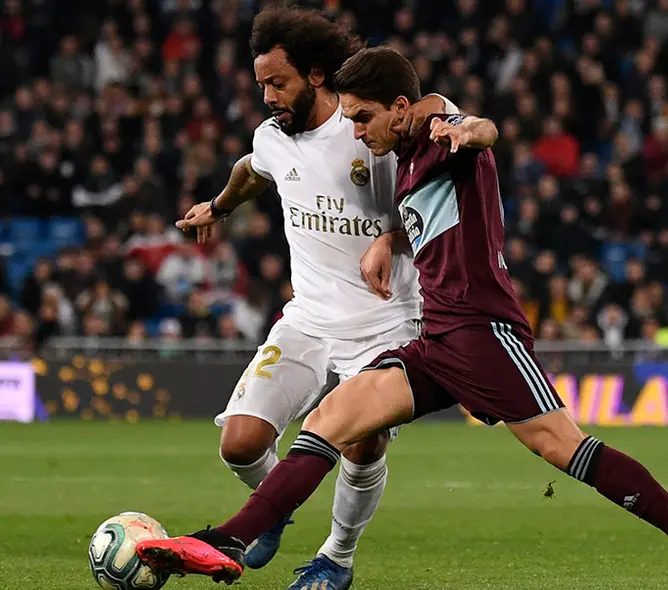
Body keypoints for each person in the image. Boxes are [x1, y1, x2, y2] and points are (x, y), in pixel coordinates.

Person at [135, 47, 668, 590]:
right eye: (347, 117)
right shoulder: (401, 152)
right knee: (332, 418)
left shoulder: (436, 135)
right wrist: (388, 237)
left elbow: (478, 130)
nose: (355, 129)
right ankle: (228, 542)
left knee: (567, 449)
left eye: (363, 117)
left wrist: (472, 129)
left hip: (485, 333)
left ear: (399, 107)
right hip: (435, 339)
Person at [178, 8, 460, 588]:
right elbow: (252, 171)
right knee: (241, 442)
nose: (266, 96)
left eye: (276, 83)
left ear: (315, 75)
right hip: (307, 318)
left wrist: (390, 235)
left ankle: (337, 556)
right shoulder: (271, 139)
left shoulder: (368, 126)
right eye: (259, 84)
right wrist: (220, 206)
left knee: (362, 442)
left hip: (387, 320)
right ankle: (276, 507)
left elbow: (437, 137)